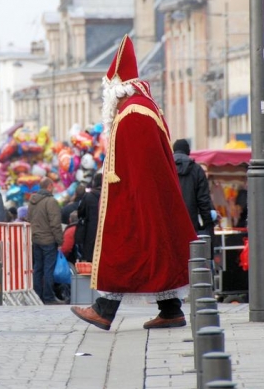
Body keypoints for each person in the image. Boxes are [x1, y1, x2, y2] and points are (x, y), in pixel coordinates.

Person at [71, 35, 197, 330]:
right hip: (142, 196)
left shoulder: (133, 114)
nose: (107, 97)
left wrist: (131, 199)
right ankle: (170, 309)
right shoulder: (140, 107)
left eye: (108, 88)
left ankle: (104, 309)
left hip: (135, 197)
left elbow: (138, 168)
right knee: (152, 250)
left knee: (124, 248)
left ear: (118, 86)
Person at [27, 177, 64, 305]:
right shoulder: (51, 201)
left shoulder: (32, 201)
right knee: (48, 269)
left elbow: (28, 219)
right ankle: (48, 297)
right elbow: (55, 223)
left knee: (38, 269)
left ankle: (37, 297)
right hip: (48, 240)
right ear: (49, 186)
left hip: (36, 239)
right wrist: (60, 240)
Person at [173, 138, 214, 235]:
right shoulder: (197, 170)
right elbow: (203, 200)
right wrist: (208, 224)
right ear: (188, 151)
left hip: (170, 223)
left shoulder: (166, 168)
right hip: (191, 224)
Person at [75, 172, 102, 262]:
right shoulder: (108, 195)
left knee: (91, 258)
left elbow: (81, 213)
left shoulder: (88, 196)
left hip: (90, 232)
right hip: (106, 230)